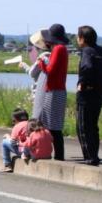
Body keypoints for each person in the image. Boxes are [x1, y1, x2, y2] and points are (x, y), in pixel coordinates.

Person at [75, 25, 102, 166]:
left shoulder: (86, 51)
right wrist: (101, 79)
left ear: (82, 38)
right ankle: (94, 156)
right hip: (99, 94)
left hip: (86, 94)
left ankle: (90, 158)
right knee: (93, 127)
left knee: (83, 127)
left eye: (78, 36)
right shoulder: (101, 50)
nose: (77, 39)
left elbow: (87, 67)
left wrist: (83, 82)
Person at [24, 24, 69, 161]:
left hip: (53, 91)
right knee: (54, 125)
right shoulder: (62, 49)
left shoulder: (58, 49)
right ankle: (57, 155)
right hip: (56, 90)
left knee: (53, 126)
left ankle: (58, 156)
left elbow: (50, 69)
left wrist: (41, 62)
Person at [0, 108, 31, 173]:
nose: (13, 122)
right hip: (34, 151)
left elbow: (13, 142)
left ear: (15, 119)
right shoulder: (32, 124)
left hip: (24, 150)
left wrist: (8, 137)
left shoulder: (17, 126)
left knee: (4, 142)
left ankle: (7, 165)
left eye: (13, 121)